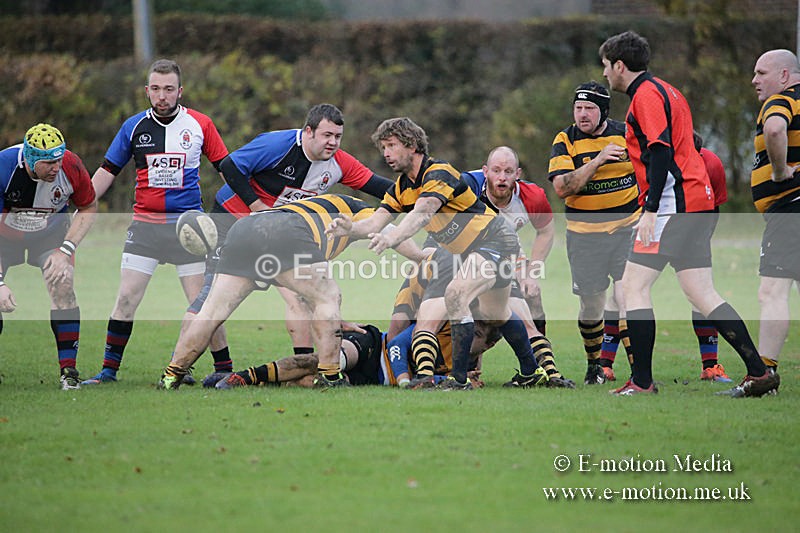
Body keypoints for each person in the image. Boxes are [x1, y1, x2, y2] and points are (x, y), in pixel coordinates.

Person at [599, 30, 778, 397]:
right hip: (695, 203)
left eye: (605, 66)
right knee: (701, 292)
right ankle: (760, 373)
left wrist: (650, 209)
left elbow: (660, 151)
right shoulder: (668, 90)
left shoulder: (646, 95)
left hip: (672, 205)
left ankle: (642, 382)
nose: (604, 74)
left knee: (633, 286)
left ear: (619, 65)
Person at [327, 117, 547, 390]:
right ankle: (532, 372)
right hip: (471, 251)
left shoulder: (439, 173)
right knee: (497, 313)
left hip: (495, 239)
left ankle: (459, 380)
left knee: (456, 294)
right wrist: (351, 227)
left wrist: (394, 237)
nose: (386, 153)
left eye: (391, 145)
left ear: (412, 145)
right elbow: (375, 222)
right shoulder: (402, 187)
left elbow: (423, 213)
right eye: (383, 147)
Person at [157, 193, 425, 389]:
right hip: (286, 229)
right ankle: (330, 377)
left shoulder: (318, 207)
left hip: (245, 228)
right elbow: (393, 233)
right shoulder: (359, 210)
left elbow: (303, 293)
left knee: (211, 311)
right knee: (330, 296)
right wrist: (421, 258)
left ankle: (171, 375)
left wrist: (337, 322)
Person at [199, 103, 393, 363]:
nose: (333, 142)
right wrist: (258, 208)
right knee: (210, 303)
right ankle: (211, 368)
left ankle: (304, 365)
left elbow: (381, 187)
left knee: (302, 298)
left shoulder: (338, 162)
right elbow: (229, 166)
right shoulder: (278, 145)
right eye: (327, 135)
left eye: (338, 136)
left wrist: (423, 190)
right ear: (308, 131)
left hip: (278, 234)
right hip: (230, 223)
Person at [82, 59, 230, 385]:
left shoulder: (200, 124)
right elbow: (107, 171)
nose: (162, 95)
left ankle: (224, 369)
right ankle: (108, 372)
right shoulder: (133, 127)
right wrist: (82, 202)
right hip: (145, 228)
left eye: (169, 89)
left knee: (203, 304)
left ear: (180, 91)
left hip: (188, 230)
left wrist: (243, 207)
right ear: (147, 91)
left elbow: (227, 170)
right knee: (126, 298)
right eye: (156, 89)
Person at [548, 81, 640, 385]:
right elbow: (563, 188)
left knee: (627, 297)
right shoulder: (566, 140)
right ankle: (594, 365)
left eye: (589, 108)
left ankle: (640, 374)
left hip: (627, 230)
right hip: (584, 236)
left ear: (604, 110)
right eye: (578, 108)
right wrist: (598, 160)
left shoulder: (627, 133)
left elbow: (649, 169)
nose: (582, 114)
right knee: (591, 305)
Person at [0, 123, 97, 389]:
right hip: (4, 238)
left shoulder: (71, 165)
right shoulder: (4, 168)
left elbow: (88, 206)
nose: (56, 167)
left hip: (49, 235)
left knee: (63, 285)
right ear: (30, 159)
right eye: (49, 163)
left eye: (59, 159)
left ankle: (69, 372)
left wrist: (66, 250)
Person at [207, 321, 500, 389]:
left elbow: (440, 381)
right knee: (321, 363)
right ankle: (242, 377)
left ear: (487, 346)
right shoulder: (440, 325)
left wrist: (452, 381)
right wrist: (405, 381)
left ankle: (266, 381)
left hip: (373, 380)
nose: (466, 336)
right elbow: (397, 346)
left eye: (475, 335)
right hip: (373, 347)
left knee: (313, 383)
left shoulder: (469, 365)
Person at [750, 49, 800, 379]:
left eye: (761, 73)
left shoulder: (782, 99)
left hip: (790, 208)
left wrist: (780, 172)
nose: (754, 80)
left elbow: (774, 130)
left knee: (772, 291)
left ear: (784, 75)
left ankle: (764, 374)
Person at [478, 146, 555, 336]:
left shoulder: (533, 197)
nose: (502, 177)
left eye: (508, 171)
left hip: (508, 248)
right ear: (485, 171)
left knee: (532, 293)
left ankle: (540, 348)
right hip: (471, 249)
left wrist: (531, 274)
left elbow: (546, 232)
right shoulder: (470, 191)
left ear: (518, 174)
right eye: (496, 171)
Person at [691, 131, 731, 383]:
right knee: (629, 292)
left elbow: (713, 209)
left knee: (701, 294)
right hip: (653, 232)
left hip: (693, 235)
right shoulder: (653, 158)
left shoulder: (711, 163)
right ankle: (607, 366)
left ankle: (710, 367)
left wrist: (701, 240)